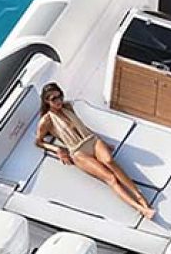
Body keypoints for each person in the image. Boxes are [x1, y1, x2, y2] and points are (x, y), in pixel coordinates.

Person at [35, 83, 156, 221]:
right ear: (46, 101)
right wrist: (57, 149)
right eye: (53, 99)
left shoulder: (67, 106)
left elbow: (82, 126)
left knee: (109, 161)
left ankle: (139, 196)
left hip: (91, 139)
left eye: (59, 96)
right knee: (110, 178)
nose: (58, 101)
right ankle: (141, 209)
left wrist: (103, 141)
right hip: (78, 151)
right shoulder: (46, 121)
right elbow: (38, 142)